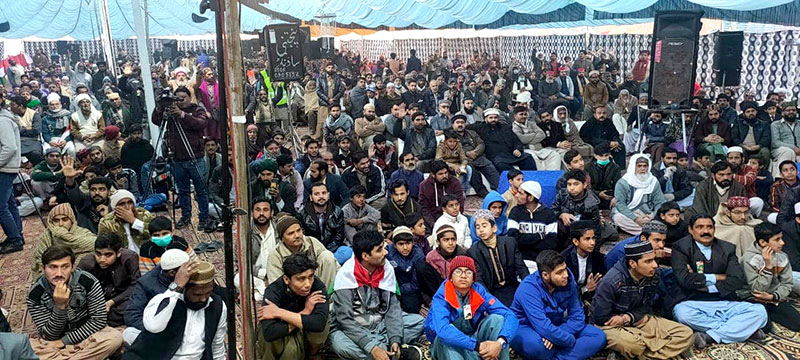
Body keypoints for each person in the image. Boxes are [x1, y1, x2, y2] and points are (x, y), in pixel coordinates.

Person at [670, 214, 768, 347]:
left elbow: (737, 279)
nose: (705, 231)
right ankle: (741, 329)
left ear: (714, 229)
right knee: (682, 314)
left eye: (709, 227)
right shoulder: (680, 247)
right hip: (692, 302)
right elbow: (685, 280)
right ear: (690, 230)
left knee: (760, 312)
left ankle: (710, 336)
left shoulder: (727, 248)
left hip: (724, 300)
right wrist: (719, 277)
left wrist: (707, 286)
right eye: (700, 227)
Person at [328, 230, 425, 359]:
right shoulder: (346, 277)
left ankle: (386, 351)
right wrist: (371, 347)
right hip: (355, 329)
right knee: (340, 344)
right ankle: (391, 354)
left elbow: (392, 308)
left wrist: (395, 338)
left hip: (381, 324)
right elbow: (345, 321)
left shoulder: (387, 268)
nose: (386, 252)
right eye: (379, 250)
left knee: (419, 322)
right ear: (365, 256)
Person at [591, 241, 695, 359]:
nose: (655, 265)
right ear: (633, 263)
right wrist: (625, 321)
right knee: (633, 345)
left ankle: (638, 355)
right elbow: (600, 318)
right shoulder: (611, 282)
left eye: (654, 259)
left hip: (636, 318)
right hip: (611, 324)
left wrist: (628, 318)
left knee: (685, 334)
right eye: (648, 261)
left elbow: (647, 305)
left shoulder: (652, 276)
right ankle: (646, 349)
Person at [27, 246, 123, 359]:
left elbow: (99, 321)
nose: (59, 273)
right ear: (43, 269)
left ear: (72, 267)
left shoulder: (89, 282)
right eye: (53, 267)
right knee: (29, 347)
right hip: (55, 343)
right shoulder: (35, 295)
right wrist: (59, 306)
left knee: (114, 338)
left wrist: (63, 341)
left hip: (88, 336)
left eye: (65, 267)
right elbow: (48, 335)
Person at [510, 250, 607, 360]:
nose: (565, 275)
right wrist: (569, 340)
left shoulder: (567, 280)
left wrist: (557, 335)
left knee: (598, 336)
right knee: (538, 347)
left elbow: (577, 315)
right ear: (545, 275)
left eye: (565, 269)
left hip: (556, 325)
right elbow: (542, 326)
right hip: (527, 327)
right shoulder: (528, 289)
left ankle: (558, 358)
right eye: (559, 272)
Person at [125, 261, 226, 360]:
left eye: (208, 293)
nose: (203, 299)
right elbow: (153, 326)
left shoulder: (217, 305)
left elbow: (216, 346)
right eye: (197, 294)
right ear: (184, 289)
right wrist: (176, 286)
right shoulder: (166, 301)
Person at [424, 255, 518, 360]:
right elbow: (443, 330)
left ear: (473, 278)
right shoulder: (442, 296)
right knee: (446, 336)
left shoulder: (479, 292)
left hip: (473, 337)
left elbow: (510, 315)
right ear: (450, 277)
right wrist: (477, 346)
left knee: (497, 319)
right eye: (458, 271)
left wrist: (500, 342)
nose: (463, 276)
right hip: (446, 345)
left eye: (468, 272)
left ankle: (494, 354)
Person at [151, 86, 212, 231]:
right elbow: (156, 120)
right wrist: (160, 106)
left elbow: (201, 124)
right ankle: (186, 216)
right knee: (182, 191)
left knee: (201, 190)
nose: (180, 101)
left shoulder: (197, 110)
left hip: (195, 157)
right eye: (176, 98)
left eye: (182, 98)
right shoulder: (170, 112)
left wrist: (182, 115)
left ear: (190, 98)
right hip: (177, 158)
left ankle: (204, 218)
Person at [258, 253, 330, 360]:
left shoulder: (317, 287)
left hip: (303, 332)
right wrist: (305, 312)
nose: (308, 284)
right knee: (284, 348)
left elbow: (319, 323)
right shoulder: (274, 291)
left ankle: (313, 354)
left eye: (310, 277)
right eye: (301, 279)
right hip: (284, 335)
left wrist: (278, 312)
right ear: (287, 279)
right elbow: (269, 332)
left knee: (323, 325)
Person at [123, 249, 191, 345]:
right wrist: (160, 331)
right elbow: (132, 315)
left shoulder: (191, 276)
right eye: (185, 270)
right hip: (161, 330)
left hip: (188, 326)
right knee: (129, 333)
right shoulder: (146, 283)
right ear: (172, 273)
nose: (189, 271)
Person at [741, 223, 800, 332]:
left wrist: (774, 296)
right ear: (763, 242)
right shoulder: (749, 259)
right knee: (765, 328)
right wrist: (768, 267)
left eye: (781, 238)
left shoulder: (782, 257)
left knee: (797, 324)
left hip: (774, 298)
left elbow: (787, 283)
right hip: (753, 299)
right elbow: (757, 289)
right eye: (777, 240)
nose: (782, 243)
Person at [77, 232, 140, 327]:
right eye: (98, 254)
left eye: (108, 255)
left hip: (120, 300)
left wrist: (112, 302)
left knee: (137, 304)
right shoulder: (87, 262)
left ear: (118, 253)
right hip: (96, 302)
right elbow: (76, 288)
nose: (102, 259)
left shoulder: (129, 258)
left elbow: (136, 285)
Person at [469, 209, 529, 306]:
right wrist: (488, 300)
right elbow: (479, 281)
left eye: (484, 226)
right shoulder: (473, 252)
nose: (481, 230)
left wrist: (529, 288)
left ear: (494, 228)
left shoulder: (510, 243)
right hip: (492, 291)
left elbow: (521, 268)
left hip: (512, 286)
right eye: (477, 227)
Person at [266, 213, 339, 288]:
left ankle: (324, 296)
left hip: (316, 285)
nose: (297, 235)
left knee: (327, 256)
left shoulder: (311, 241)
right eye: (291, 233)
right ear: (282, 239)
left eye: (298, 230)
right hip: (291, 293)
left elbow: (335, 265)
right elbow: (276, 284)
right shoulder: (275, 254)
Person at [552, 169, 614, 249]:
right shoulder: (562, 194)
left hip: (583, 228)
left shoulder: (591, 202)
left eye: (576, 184)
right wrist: (561, 215)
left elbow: (596, 228)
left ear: (584, 185)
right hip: (565, 227)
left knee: (611, 234)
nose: (571, 188)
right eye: (569, 184)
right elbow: (552, 211)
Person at [32, 203, 96, 279]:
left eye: (65, 219)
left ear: (72, 220)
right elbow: (40, 258)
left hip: (78, 267)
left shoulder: (83, 233)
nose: (61, 224)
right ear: (51, 222)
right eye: (56, 221)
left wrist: (66, 236)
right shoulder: (47, 236)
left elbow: (95, 243)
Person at [508, 181, 558, 271]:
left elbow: (551, 243)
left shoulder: (549, 214)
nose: (516, 195)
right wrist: (539, 236)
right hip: (520, 261)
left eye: (520, 193)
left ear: (530, 197)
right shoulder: (515, 212)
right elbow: (513, 239)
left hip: (542, 262)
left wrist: (524, 241)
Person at [467, 108, 537, 171]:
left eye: (495, 117)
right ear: (485, 119)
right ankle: (516, 178)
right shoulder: (480, 127)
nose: (493, 120)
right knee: (500, 164)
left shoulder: (505, 127)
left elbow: (516, 141)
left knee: (528, 158)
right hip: (496, 156)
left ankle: (532, 180)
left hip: (511, 154)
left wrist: (518, 149)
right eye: (490, 118)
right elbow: (464, 127)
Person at [613, 154, 666, 235]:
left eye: (645, 166)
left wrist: (653, 215)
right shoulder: (623, 182)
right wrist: (636, 219)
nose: (642, 169)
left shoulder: (653, 181)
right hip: (629, 213)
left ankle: (648, 231)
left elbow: (660, 202)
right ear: (633, 166)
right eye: (639, 166)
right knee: (618, 218)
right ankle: (653, 232)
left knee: (667, 214)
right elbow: (620, 204)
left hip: (649, 214)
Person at [452, 114, 500, 194]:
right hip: (462, 159)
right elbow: (452, 149)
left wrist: (476, 152)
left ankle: (498, 189)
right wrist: (467, 153)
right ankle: (483, 192)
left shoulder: (472, 133)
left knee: (490, 167)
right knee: (472, 171)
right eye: (458, 122)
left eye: (462, 122)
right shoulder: (449, 135)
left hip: (477, 156)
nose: (460, 124)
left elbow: (481, 143)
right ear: (453, 125)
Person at [62, 156, 112, 233]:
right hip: (86, 239)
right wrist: (69, 179)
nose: (97, 193)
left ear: (108, 191)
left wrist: (108, 215)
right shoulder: (83, 201)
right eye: (93, 189)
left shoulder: (114, 205)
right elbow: (73, 194)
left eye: (101, 189)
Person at [560, 221, 606, 302]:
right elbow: (563, 290)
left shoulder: (598, 258)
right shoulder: (564, 259)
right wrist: (586, 289)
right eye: (587, 239)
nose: (592, 243)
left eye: (593, 238)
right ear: (575, 241)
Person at [386, 226, 426, 313]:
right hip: (391, 287)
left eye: (408, 243)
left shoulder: (418, 255)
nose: (405, 248)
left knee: (411, 307)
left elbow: (416, 282)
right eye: (401, 244)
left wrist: (400, 290)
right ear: (395, 245)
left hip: (410, 289)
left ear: (413, 243)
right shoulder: (388, 253)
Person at [0, 105, 23, 254]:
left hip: (4, 168)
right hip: (7, 167)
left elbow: (10, 148)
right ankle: (17, 234)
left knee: (0, 207)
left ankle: (15, 239)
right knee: (9, 203)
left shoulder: (2, 121)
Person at [419, 160, 466, 228]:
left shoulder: (454, 182)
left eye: (446, 173)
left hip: (452, 218)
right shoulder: (424, 186)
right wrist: (434, 225)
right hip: (432, 220)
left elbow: (460, 204)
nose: (444, 176)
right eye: (440, 174)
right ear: (433, 175)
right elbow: (424, 209)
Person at [731, 101, 772, 168]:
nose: (751, 113)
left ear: (756, 112)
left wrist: (758, 146)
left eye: (753, 111)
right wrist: (744, 146)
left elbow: (766, 138)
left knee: (765, 152)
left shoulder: (764, 124)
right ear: (744, 114)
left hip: (758, 148)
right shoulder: (738, 124)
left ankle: (763, 172)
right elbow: (734, 138)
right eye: (748, 111)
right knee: (739, 151)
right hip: (743, 147)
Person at [726, 146, 765, 216]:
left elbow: (747, 181)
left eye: (736, 158)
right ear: (727, 159)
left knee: (758, 202)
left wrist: (730, 176)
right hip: (728, 200)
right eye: (731, 158)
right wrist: (743, 177)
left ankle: (747, 218)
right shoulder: (724, 168)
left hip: (746, 199)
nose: (733, 160)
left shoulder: (750, 169)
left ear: (742, 159)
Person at [585, 142, 621, 210]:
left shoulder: (615, 168)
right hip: (593, 195)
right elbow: (586, 186)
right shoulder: (588, 168)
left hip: (610, 196)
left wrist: (616, 197)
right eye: (601, 156)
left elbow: (618, 184)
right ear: (595, 156)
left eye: (606, 155)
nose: (604, 158)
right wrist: (598, 193)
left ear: (609, 155)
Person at [9, 95, 44, 165]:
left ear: (20, 106)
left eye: (13, 105)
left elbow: (36, 131)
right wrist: (26, 129)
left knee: (35, 154)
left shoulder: (34, 115)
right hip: (16, 141)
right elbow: (10, 131)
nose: (10, 107)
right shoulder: (10, 115)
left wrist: (21, 131)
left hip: (32, 141)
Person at [769, 102, 799, 176]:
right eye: (788, 110)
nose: (791, 112)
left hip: (798, 151)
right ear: (782, 113)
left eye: (793, 110)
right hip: (779, 150)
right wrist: (793, 147)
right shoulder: (775, 124)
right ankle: (780, 178)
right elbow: (775, 143)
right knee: (788, 152)